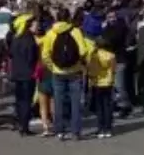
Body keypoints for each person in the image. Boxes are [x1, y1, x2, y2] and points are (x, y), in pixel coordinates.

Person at [40, 8, 92, 140]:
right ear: (69, 18)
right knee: (76, 103)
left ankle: (60, 131)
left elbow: (45, 54)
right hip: (74, 71)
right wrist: (77, 63)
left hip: (58, 72)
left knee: (58, 102)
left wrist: (53, 66)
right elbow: (83, 51)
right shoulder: (75, 31)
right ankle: (75, 131)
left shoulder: (51, 33)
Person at [10, 16, 41, 136]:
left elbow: (11, 54)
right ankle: (24, 126)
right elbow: (31, 58)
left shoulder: (16, 38)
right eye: (34, 25)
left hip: (17, 72)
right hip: (28, 73)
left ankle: (21, 124)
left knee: (19, 99)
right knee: (27, 101)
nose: (37, 27)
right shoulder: (30, 40)